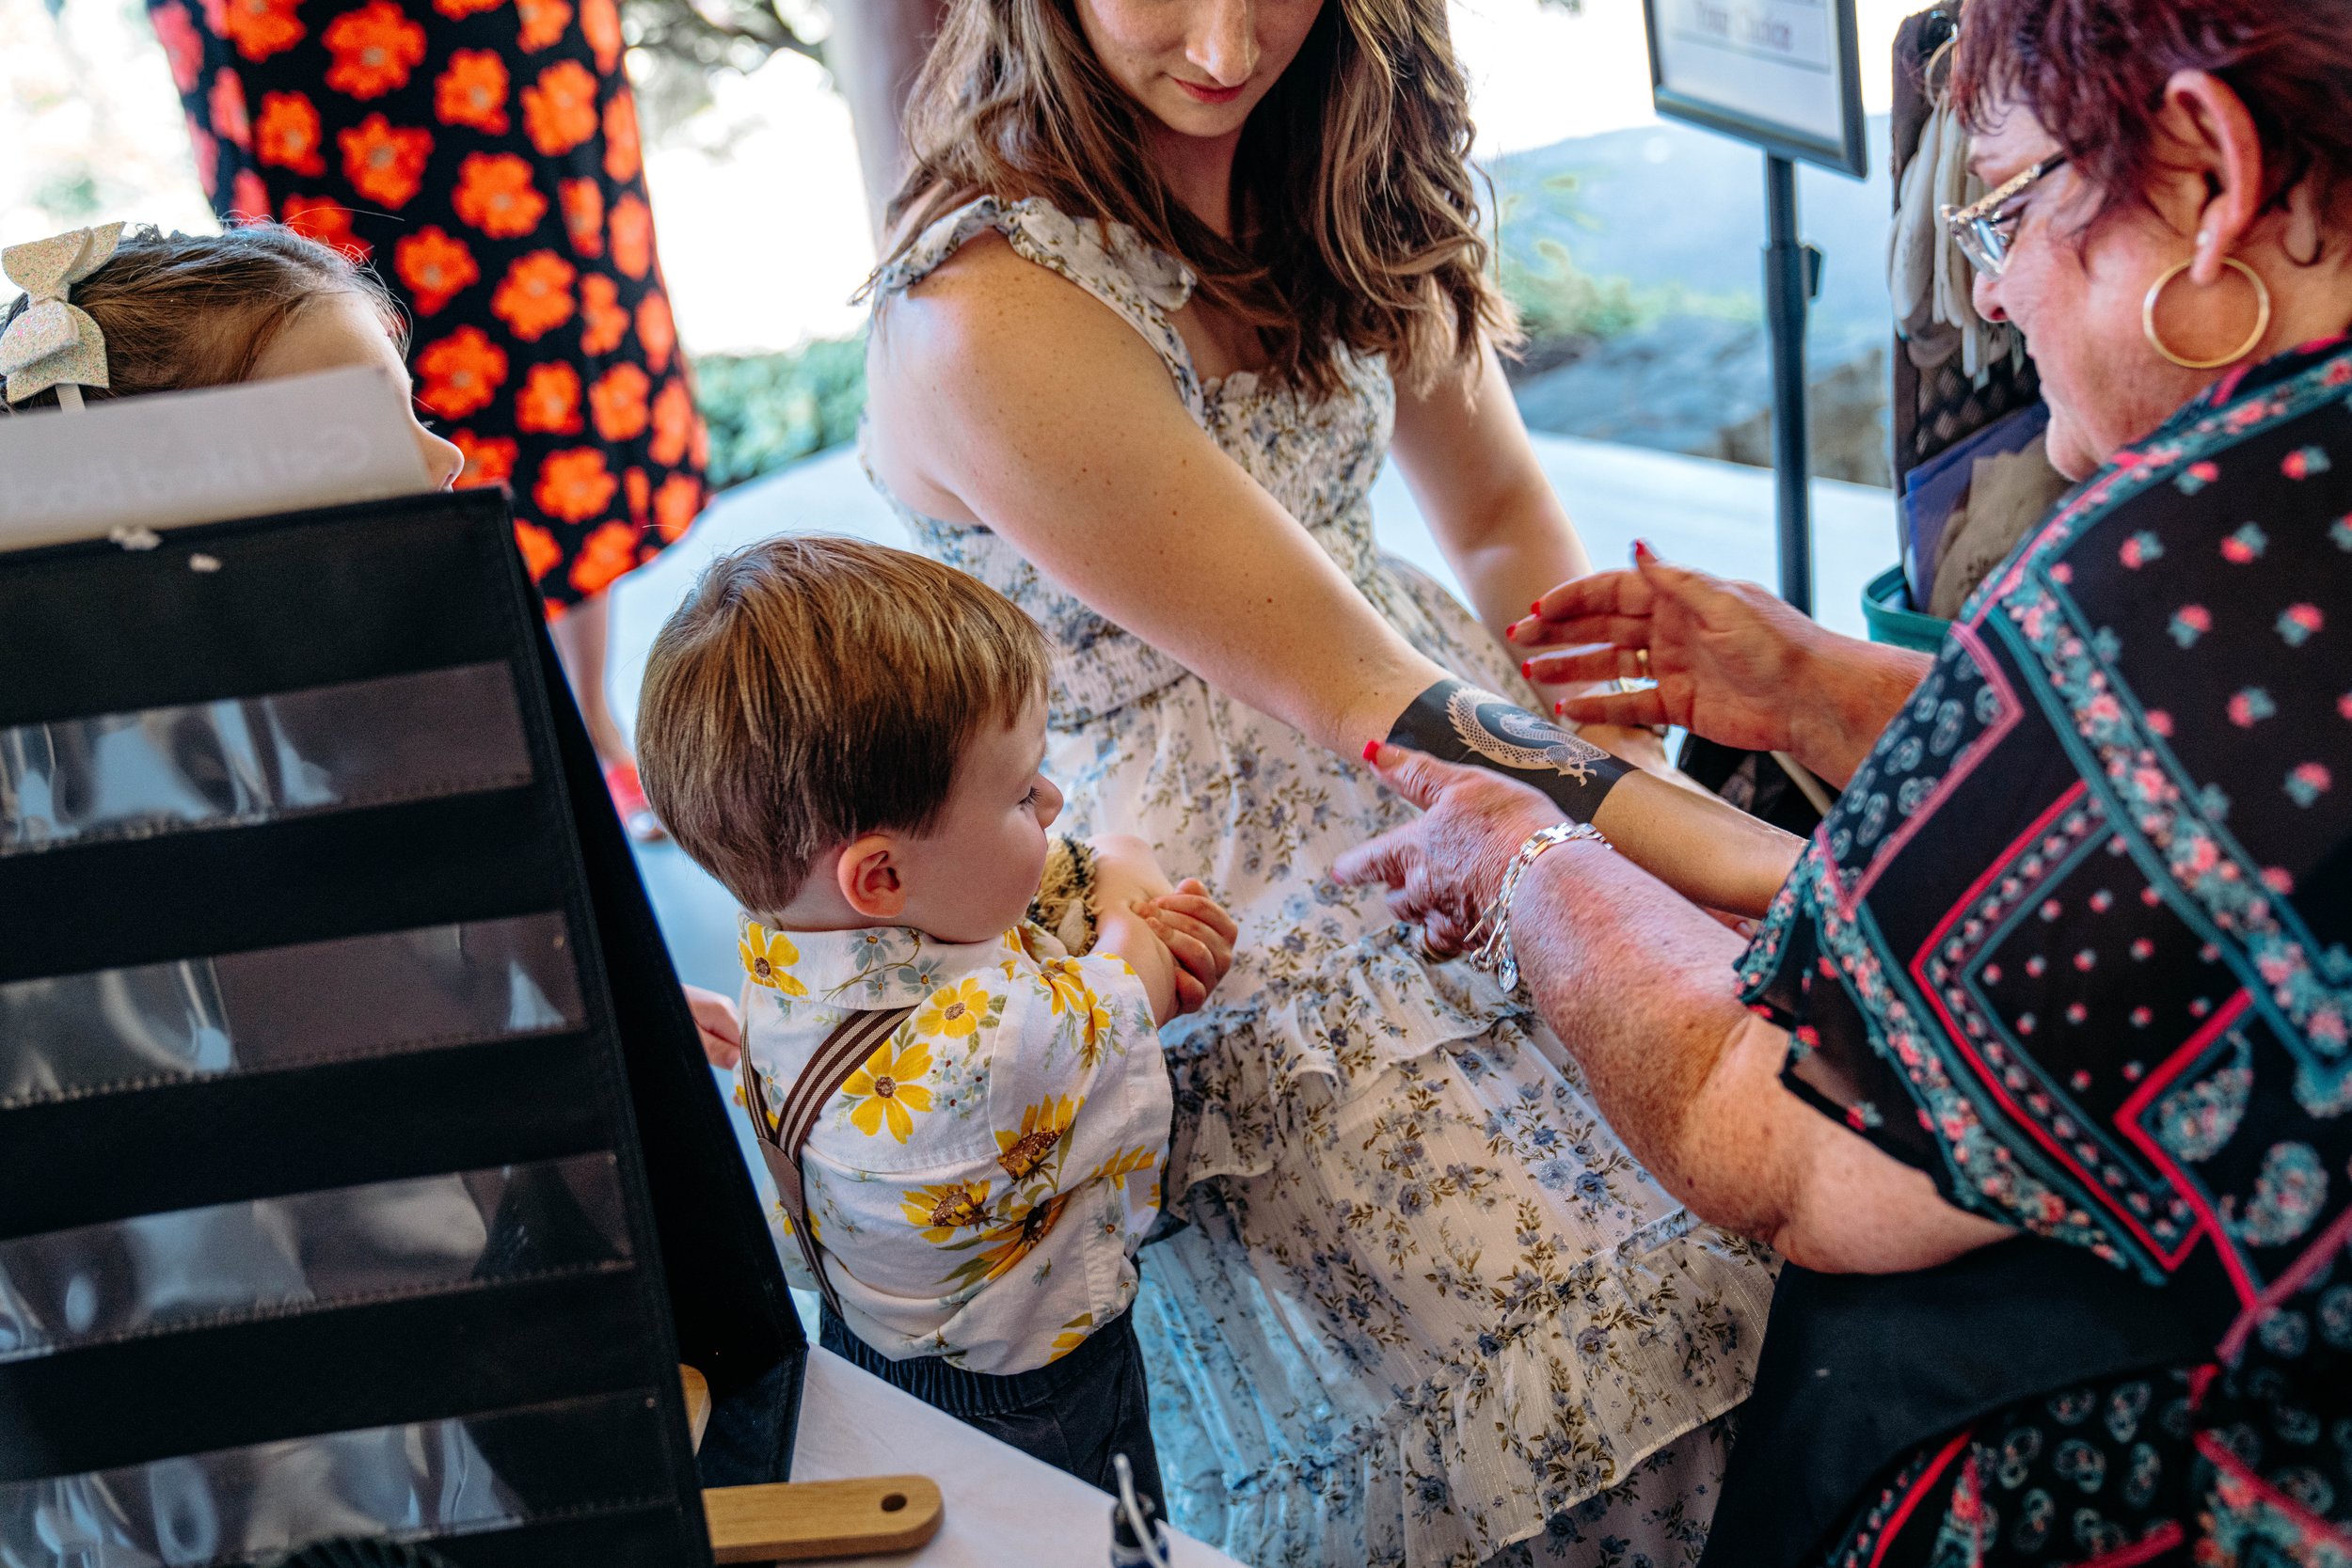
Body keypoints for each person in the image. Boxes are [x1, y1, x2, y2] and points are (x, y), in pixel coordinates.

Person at [1338, 0, 2352, 1560]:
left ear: (2211, 170)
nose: (1992, 291)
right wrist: (1823, 693)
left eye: (2008, 205)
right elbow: (2186, 831)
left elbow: (1774, 1133)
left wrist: (1527, 859)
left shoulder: (2185, 579)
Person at [856, 3, 1794, 1561]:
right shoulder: (986, 307)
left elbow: (1495, 517)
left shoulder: (1330, 172)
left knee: (1767, 1237)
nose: (1227, 45)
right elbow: (1369, 700)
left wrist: (1624, 752)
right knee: (1598, 1348)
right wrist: (1774, 867)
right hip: (1233, 899)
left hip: (1478, 768)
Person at [0, 220, 745, 1055]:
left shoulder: (428, 692)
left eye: (412, 407)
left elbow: (518, 924)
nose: (448, 455)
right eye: (362, 434)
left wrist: (620, 1002)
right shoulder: (102, 799)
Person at [632, 535, 1239, 1510]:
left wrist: (1098, 888)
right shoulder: (993, 1050)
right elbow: (1138, 959)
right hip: (1033, 1400)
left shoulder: (785, 944)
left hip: (869, 1348)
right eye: (1022, 791)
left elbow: (1043, 892)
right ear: (879, 875)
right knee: (1100, 1532)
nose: (1055, 800)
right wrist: (1136, 891)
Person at [145, 0, 708, 837]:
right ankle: (418, 749)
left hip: (474, 28)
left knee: (547, 333)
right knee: (304, 336)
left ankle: (588, 720)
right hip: (289, 39)